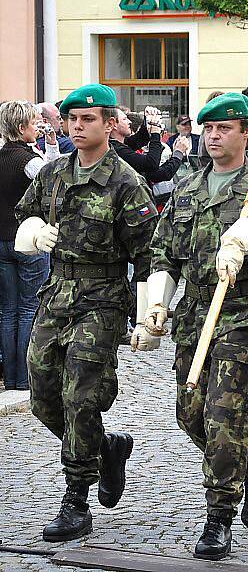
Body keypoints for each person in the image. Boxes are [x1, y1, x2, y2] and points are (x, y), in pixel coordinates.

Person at [132, 92, 248, 561]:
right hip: (195, 314)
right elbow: (164, 251)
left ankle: (219, 514)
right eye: (209, 128)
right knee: (190, 413)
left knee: (225, 418)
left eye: (225, 128)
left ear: (247, 132)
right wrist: (156, 304)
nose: (214, 136)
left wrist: (239, 240)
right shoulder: (188, 185)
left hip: (242, 314)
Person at [14, 84, 158, 542]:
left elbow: (147, 253)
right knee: (41, 391)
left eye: (88, 119)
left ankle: (76, 499)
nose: (78, 127)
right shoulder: (54, 173)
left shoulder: (125, 182)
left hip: (102, 297)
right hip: (57, 292)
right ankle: (105, 447)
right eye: (72, 118)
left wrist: (148, 313)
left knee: (82, 395)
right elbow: (25, 213)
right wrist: (34, 230)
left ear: (110, 124)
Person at [0, 101, 50, 390]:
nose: (38, 127)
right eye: (34, 123)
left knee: (8, 310)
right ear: (22, 128)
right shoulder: (28, 160)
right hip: (28, 240)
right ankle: (26, 376)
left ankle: (11, 376)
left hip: (1, 240)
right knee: (30, 307)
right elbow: (52, 184)